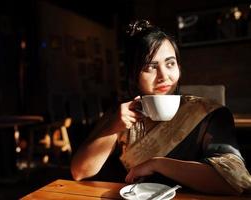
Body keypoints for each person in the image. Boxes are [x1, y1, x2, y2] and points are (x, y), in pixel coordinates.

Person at [70, 20, 251, 195]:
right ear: (134, 75)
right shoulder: (122, 113)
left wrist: (158, 164)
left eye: (170, 64)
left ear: (179, 67)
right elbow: (80, 172)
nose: (163, 76)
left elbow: (233, 180)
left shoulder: (208, 113)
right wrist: (113, 127)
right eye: (150, 67)